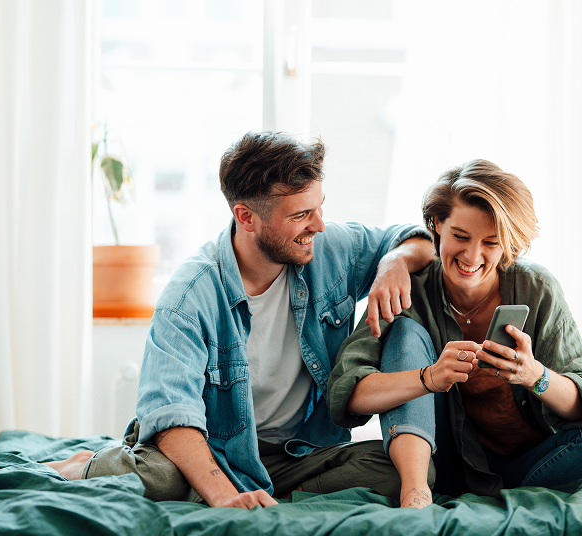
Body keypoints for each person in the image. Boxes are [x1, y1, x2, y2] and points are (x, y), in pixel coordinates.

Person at [47, 131, 436, 508]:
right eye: (301, 215)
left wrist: (394, 261)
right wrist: (223, 495)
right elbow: (171, 417)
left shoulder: (330, 247)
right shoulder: (188, 298)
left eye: (319, 207)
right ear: (246, 216)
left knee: (405, 469)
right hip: (215, 450)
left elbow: (418, 240)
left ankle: (274, 492)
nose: (318, 225)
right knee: (163, 478)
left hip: (296, 453)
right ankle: (86, 465)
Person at [328, 159, 582, 505]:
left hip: (530, 464)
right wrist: (430, 377)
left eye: (491, 243)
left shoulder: (536, 288)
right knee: (404, 331)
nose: (472, 256)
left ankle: (508, 500)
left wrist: (534, 375)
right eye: (460, 236)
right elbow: (346, 393)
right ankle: (415, 492)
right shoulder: (409, 290)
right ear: (437, 224)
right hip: (442, 462)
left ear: (507, 244)